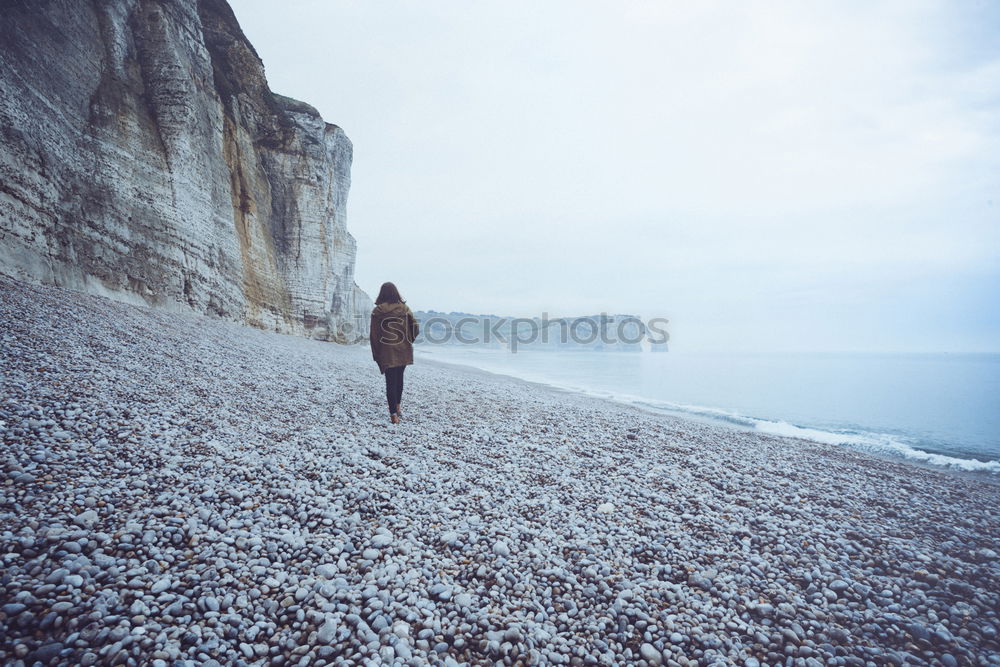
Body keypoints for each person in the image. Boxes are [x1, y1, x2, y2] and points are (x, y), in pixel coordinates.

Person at [370, 282, 419, 424]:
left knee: (390, 382)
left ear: (382, 294)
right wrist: (409, 339)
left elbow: (374, 335)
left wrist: (376, 353)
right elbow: (415, 326)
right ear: (396, 293)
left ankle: (393, 415)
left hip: (387, 350)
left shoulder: (377, 311)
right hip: (403, 348)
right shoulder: (404, 309)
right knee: (399, 379)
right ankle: (398, 407)